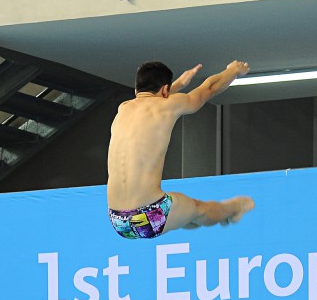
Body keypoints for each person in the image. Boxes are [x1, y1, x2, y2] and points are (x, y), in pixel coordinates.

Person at [107, 60, 255, 239]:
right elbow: (209, 89)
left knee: (189, 219)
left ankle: (218, 215)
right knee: (200, 210)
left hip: (118, 222)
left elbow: (150, 99)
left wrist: (176, 85)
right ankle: (233, 209)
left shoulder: (123, 108)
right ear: (165, 90)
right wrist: (233, 70)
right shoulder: (168, 105)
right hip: (150, 215)